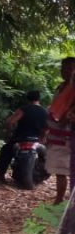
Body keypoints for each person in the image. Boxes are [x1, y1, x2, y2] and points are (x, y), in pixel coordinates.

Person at [0, 90, 49, 183]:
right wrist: (42, 138)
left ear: (27, 98)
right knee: (46, 155)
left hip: (20, 138)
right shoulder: (44, 112)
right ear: (38, 99)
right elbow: (46, 129)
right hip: (36, 140)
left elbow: (10, 122)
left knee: (6, 150)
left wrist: (9, 132)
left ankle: (1, 175)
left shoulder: (24, 109)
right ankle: (42, 176)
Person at [46, 58, 75, 203]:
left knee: (62, 169)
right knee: (60, 169)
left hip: (66, 135)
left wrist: (65, 119)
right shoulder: (62, 87)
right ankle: (60, 197)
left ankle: (60, 199)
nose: (65, 72)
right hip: (57, 133)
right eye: (63, 68)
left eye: (69, 69)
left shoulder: (72, 88)